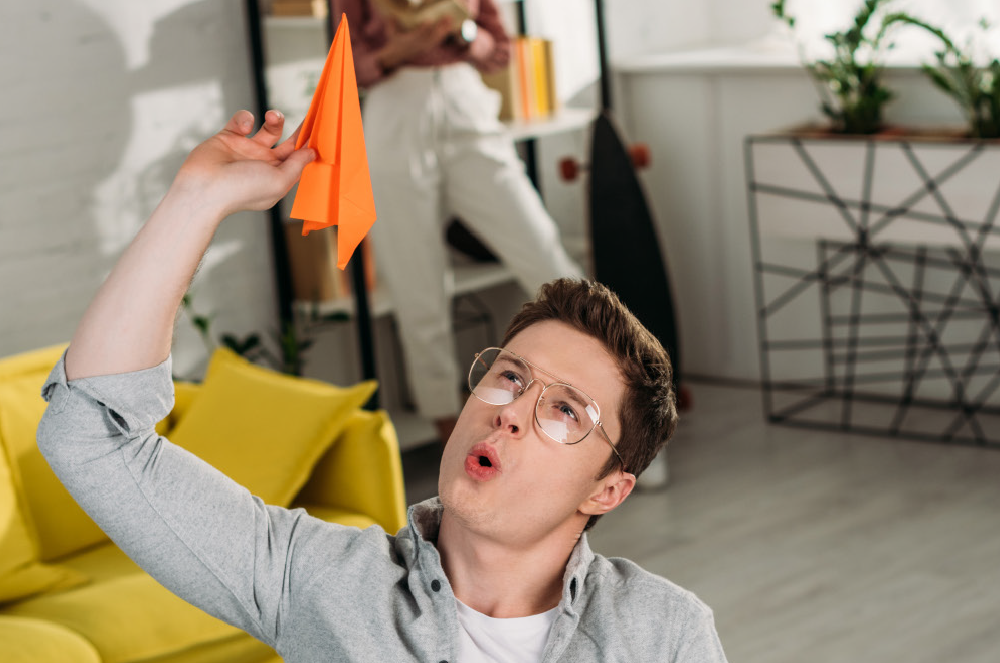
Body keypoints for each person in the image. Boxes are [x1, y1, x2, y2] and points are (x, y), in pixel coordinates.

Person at [38, 110, 726, 661]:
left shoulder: (663, 634)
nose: (512, 411)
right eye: (510, 376)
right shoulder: (319, 582)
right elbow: (89, 433)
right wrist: (197, 199)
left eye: (565, 410)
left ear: (606, 488)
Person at [335, 0, 585, 443]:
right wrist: (405, 47)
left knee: (547, 257)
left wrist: (462, 32)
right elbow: (347, 67)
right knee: (418, 288)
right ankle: (452, 441)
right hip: (394, 113)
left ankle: (606, 405)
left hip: (466, 103)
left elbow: (499, 53)